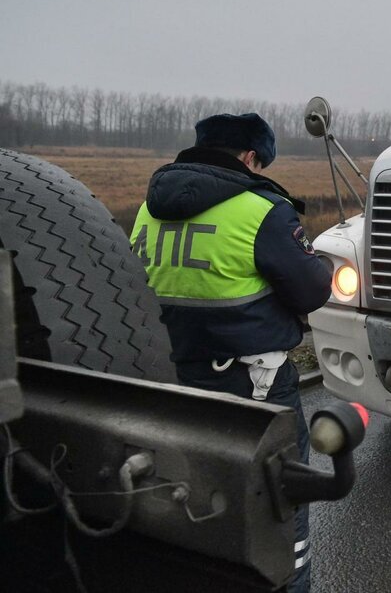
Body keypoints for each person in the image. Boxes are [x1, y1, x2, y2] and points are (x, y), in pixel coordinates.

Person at [130, 113, 331, 592]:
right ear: (248, 156)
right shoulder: (262, 209)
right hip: (255, 385)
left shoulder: (147, 208)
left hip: (171, 377)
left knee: (192, 497)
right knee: (280, 506)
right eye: (259, 161)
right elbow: (311, 292)